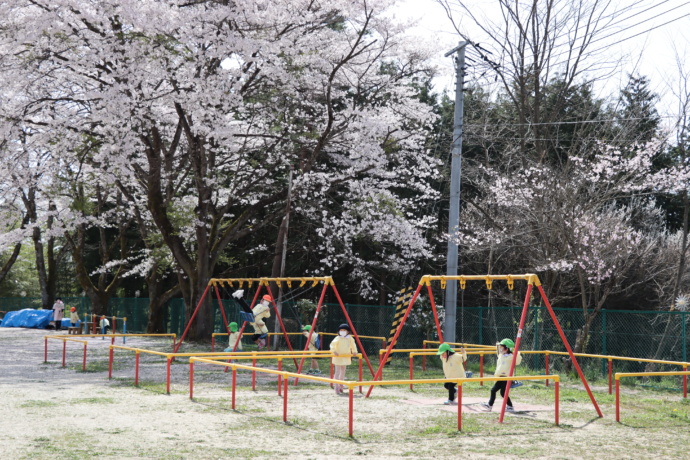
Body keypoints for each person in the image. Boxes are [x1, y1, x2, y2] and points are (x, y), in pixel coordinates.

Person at [481, 338, 522, 412]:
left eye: (501, 347)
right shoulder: (501, 355)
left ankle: (490, 405)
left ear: (507, 349)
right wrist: (498, 345)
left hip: (506, 377)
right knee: (503, 393)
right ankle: (510, 406)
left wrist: (516, 352)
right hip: (500, 376)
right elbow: (498, 352)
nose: (500, 349)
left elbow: (518, 361)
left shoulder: (511, 357)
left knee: (493, 390)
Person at [329, 323, 358, 395]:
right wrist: (334, 351)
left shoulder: (350, 338)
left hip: (345, 356)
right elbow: (332, 344)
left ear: (348, 331)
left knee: (343, 371)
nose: (342, 331)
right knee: (337, 372)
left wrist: (354, 351)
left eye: (344, 330)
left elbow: (353, 345)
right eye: (341, 330)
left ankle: (341, 385)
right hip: (338, 357)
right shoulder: (338, 338)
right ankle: (336, 386)